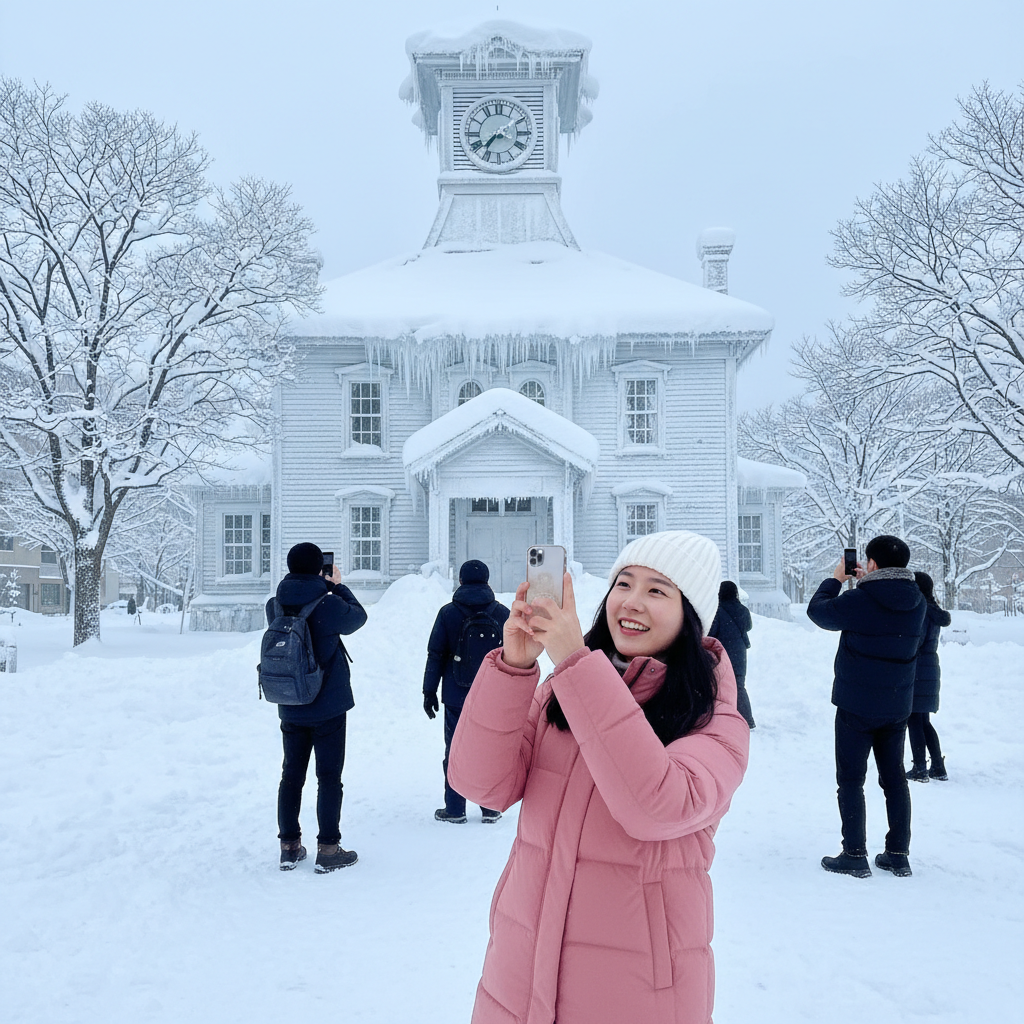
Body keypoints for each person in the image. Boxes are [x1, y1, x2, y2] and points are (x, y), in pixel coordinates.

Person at [448, 531, 749, 1024]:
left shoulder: (715, 720)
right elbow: (482, 785)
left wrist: (574, 662)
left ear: (690, 614)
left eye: (657, 590)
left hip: (635, 993)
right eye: (623, 584)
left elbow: (656, 805)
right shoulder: (563, 690)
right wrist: (516, 668)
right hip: (521, 971)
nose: (630, 602)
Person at [807, 534, 927, 879]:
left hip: (856, 704)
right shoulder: (917, 600)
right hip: (897, 704)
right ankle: (897, 854)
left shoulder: (861, 599)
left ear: (871, 563)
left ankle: (855, 854)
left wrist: (837, 578)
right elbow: (885, 610)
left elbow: (819, 612)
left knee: (850, 780)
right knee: (894, 780)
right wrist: (865, 584)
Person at [268, 542, 367, 873]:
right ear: (318, 569)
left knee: (291, 775)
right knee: (329, 777)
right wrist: (337, 586)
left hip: (291, 702)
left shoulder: (275, 604)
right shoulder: (328, 604)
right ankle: (328, 849)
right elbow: (358, 618)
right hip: (328, 706)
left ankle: (289, 847)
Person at [422, 559, 509, 824]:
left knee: (456, 750)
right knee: (488, 750)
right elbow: (514, 656)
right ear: (487, 581)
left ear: (461, 581)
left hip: (456, 695)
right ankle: (490, 807)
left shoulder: (448, 613)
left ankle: (455, 808)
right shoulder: (502, 614)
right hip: (491, 695)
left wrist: (429, 691)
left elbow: (435, 655)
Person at [906, 571, 952, 783]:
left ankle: (920, 769)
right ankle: (937, 767)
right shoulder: (934, 611)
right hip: (929, 668)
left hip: (918, 669)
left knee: (914, 719)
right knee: (923, 720)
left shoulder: (920, 611)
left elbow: (916, 641)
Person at [708, 580, 755, 728]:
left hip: (722, 652)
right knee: (739, 686)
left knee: (718, 686)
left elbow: (712, 632)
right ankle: (748, 720)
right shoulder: (742, 610)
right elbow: (748, 626)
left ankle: (720, 719)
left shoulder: (717, 610)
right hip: (739, 653)